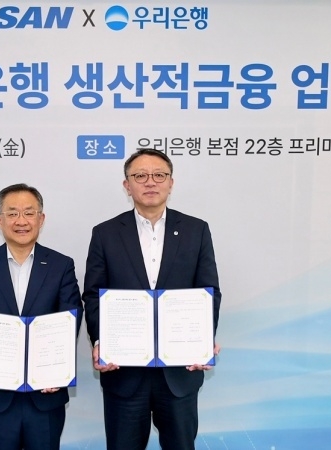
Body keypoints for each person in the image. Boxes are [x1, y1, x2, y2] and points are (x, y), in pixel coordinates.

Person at [82, 148, 222, 450]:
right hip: (123, 370)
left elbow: (208, 290)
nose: (150, 182)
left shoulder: (196, 230)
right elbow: (93, 294)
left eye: (159, 175)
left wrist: (202, 339)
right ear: (127, 185)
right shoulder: (105, 233)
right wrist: (100, 341)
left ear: (171, 183)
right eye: (140, 176)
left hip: (179, 371)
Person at [0, 183, 83, 450]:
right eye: (12, 213)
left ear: (41, 218)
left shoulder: (61, 265)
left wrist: (56, 369)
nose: (21, 221)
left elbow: (70, 316)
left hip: (46, 393)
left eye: (29, 212)